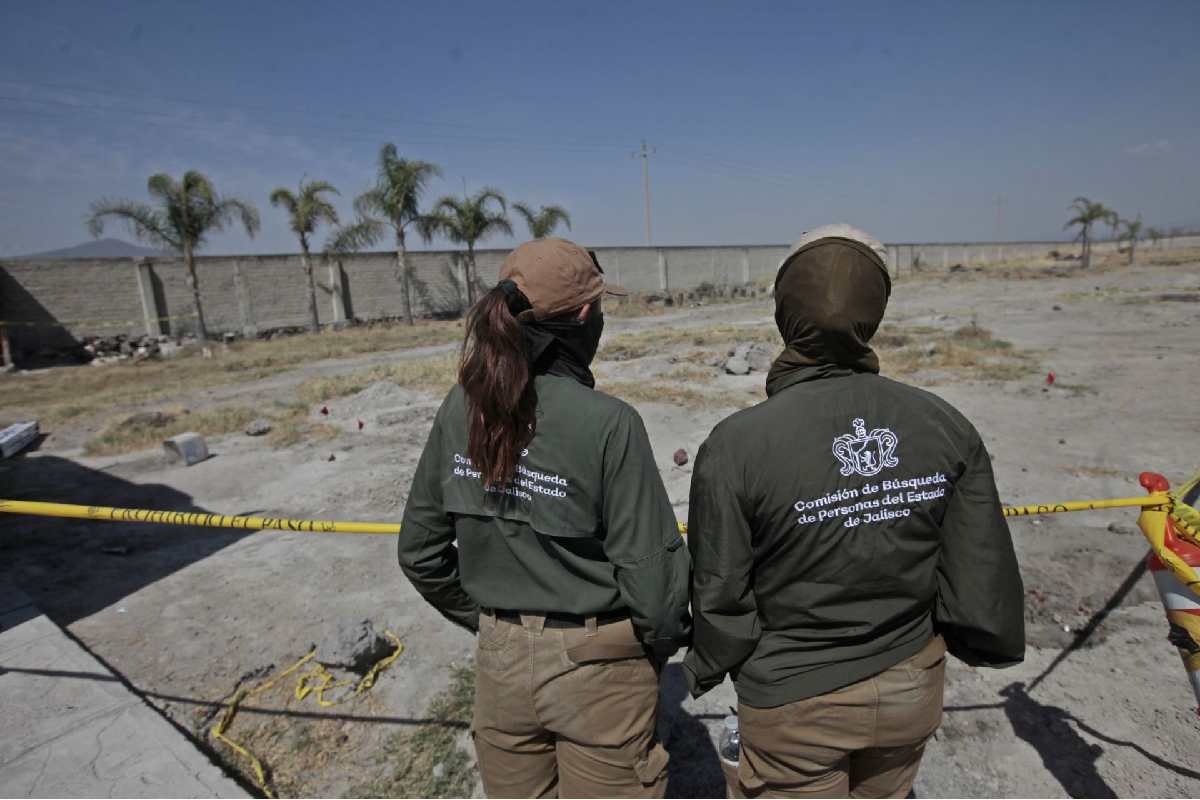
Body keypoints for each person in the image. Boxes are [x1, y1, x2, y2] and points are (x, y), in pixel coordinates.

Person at [683, 224, 1025, 799]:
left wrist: (707, 664)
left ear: (784, 310)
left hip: (793, 704)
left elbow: (721, 594)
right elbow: (977, 571)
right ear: (876, 311)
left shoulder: (736, 444)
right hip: (909, 688)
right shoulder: (942, 423)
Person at [398, 237, 692, 799]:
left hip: (500, 668)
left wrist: (495, 627)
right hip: (599, 668)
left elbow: (418, 554)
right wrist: (653, 645)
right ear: (585, 316)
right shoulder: (610, 424)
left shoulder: (459, 407)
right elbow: (654, 589)